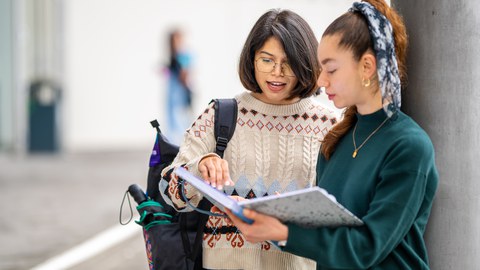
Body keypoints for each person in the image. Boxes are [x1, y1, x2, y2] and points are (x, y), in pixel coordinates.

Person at [226, 0, 439, 269]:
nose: (321, 81)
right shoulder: (335, 140)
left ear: (367, 66)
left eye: (331, 69)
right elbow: (330, 232)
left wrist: (283, 231)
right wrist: (271, 214)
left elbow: (366, 247)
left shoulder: (409, 146)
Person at [160, 9, 338, 270]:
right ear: (252, 59)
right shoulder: (219, 114)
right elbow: (170, 192)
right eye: (266, 60)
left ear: (305, 63)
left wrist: (290, 215)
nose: (277, 73)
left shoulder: (328, 125)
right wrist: (199, 168)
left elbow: (340, 211)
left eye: (288, 63)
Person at [165, 29, 194, 144]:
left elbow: (185, 74)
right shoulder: (173, 56)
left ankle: (184, 144)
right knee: (173, 119)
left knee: (181, 118)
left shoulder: (184, 55)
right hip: (173, 92)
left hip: (180, 92)